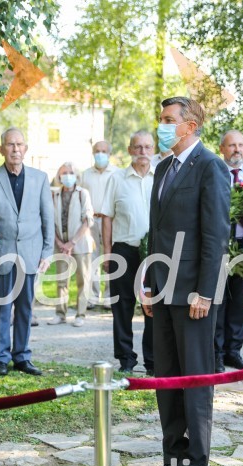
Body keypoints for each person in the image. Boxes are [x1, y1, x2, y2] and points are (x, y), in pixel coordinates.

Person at [139, 97, 230, 466]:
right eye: (160, 119)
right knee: (167, 378)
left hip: (193, 294)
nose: (161, 126)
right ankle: (173, 456)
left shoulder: (211, 166)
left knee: (194, 378)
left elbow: (215, 236)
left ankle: (197, 460)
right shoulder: (162, 168)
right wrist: (147, 281)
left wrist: (204, 292)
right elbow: (156, 232)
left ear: (189, 125)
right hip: (162, 290)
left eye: (167, 120)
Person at [0, 127, 54, 377]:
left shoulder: (40, 178)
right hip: (3, 255)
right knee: (1, 307)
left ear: (26, 148)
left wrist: (47, 251)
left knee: (25, 309)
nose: (15, 149)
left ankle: (22, 356)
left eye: (20, 144)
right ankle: (0, 357)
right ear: (1, 149)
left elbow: (47, 218)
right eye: (10, 145)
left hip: (31, 253)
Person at [99, 131, 155, 375]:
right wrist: (108, 252)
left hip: (154, 253)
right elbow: (107, 218)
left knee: (153, 306)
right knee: (122, 307)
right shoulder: (117, 179)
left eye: (147, 147)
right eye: (138, 147)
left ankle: (153, 360)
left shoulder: (161, 176)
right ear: (130, 150)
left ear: (153, 150)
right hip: (123, 251)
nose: (143, 151)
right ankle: (126, 360)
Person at [215, 130, 243, 372]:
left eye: (241, 145)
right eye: (231, 145)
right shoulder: (214, 173)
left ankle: (234, 351)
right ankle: (217, 354)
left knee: (238, 304)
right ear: (222, 148)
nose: (237, 150)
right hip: (220, 247)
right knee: (219, 302)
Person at [49, 162, 94, 327]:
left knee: (82, 279)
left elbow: (87, 220)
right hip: (61, 244)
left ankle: (80, 314)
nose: (67, 175)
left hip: (80, 244)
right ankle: (60, 314)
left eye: (70, 172)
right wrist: (61, 242)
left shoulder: (83, 194)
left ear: (76, 175)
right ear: (59, 176)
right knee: (61, 280)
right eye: (64, 173)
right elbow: (50, 222)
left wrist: (71, 243)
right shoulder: (54, 195)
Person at [81, 140, 118, 309]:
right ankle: (94, 296)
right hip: (91, 220)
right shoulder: (86, 174)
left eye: (104, 151)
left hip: (111, 220)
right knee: (93, 258)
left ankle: (110, 297)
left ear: (109, 153)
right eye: (97, 151)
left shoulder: (117, 173)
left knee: (110, 257)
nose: (100, 154)